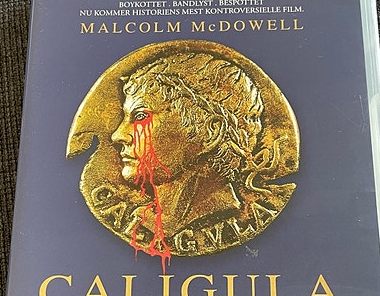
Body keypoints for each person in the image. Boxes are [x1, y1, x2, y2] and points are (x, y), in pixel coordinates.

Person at [111, 51, 265, 239]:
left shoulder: (214, 213)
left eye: (141, 117)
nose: (117, 136)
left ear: (211, 132)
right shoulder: (144, 218)